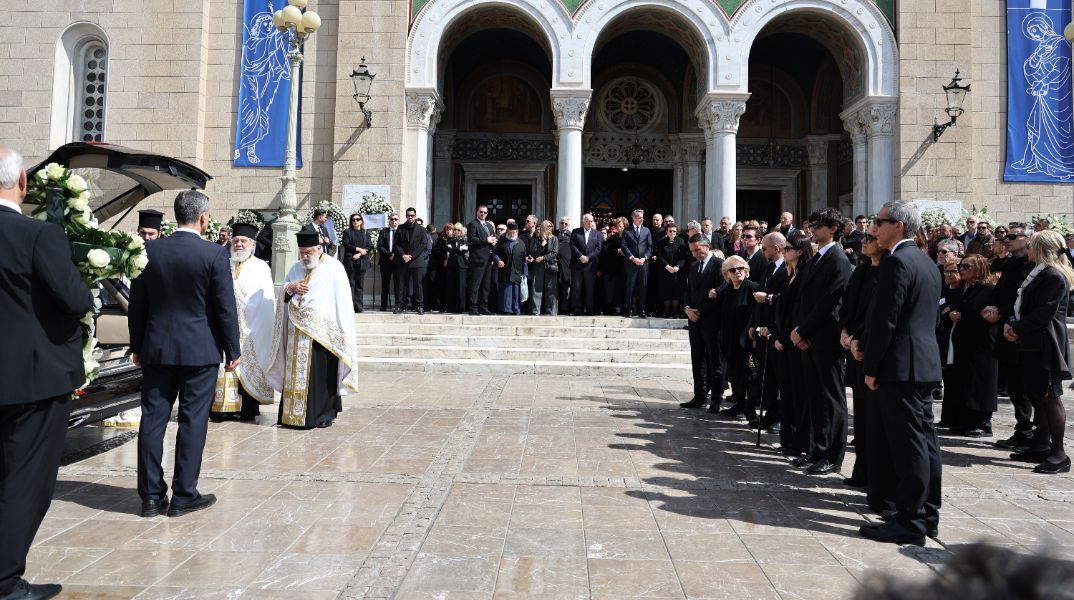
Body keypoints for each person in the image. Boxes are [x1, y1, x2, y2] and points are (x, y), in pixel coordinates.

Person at [0, 147, 94, 600]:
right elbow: (75, 300)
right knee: (24, 480)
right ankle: (3, 582)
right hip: (30, 381)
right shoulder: (37, 236)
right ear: (22, 182)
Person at [129, 190, 241, 518]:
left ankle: (150, 496)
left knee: (152, 420)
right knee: (193, 421)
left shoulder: (149, 250)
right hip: (199, 350)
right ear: (204, 217)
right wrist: (232, 348)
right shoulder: (213, 254)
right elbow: (224, 307)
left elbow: (138, 305)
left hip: (157, 348)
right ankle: (183, 495)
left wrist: (137, 345)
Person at [859, 200, 943, 546]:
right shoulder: (926, 262)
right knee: (925, 442)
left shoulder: (897, 262)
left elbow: (885, 321)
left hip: (900, 366)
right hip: (922, 363)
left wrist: (871, 366)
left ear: (899, 227)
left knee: (910, 445)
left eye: (880, 222)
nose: (873, 229)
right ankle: (927, 514)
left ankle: (910, 520)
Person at [269, 226, 358, 429]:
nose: (305, 256)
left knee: (321, 377)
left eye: (308, 252)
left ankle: (322, 415)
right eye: (302, 253)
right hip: (295, 334)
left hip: (322, 336)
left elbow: (340, 304)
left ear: (319, 249)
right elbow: (284, 293)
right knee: (295, 377)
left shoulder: (334, 268)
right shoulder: (295, 268)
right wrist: (289, 288)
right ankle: (291, 415)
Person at [790, 208, 853, 475]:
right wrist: (798, 329)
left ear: (834, 229)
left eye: (819, 225)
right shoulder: (817, 257)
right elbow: (804, 298)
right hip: (809, 338)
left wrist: (803, 330)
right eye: (812, 224)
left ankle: (833, 455)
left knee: (831, 399)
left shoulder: (838, 259)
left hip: (825, 339)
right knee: (814, 397)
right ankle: (817, 449)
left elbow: (830, 302)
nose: (812, 229)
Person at [1003, 230, 1072, 474]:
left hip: (1047, 343)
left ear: (1041, 249)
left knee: (1049, 396)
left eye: (1031, 245)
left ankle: (1059, 453)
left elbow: (1044, 313)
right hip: (1033, 341)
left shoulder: (1054, 276)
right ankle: (1041, 444)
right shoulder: (1040, 272)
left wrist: (1017, 329)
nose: (1028, 248)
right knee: (1037, 395)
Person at [210, 223, 276, 423]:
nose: (239, 244)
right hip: (225, 326)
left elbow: (263, 301)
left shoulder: (261, 267)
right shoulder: (223, 263)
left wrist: (236, 302)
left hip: (251, 326)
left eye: (243, 241)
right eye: (236, 240)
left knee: (246, 363)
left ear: (252, 244)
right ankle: (222, 409)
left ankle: (246, 407)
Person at [983, 224, 1037, 450]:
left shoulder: (1033, 267)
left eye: (1013, 236)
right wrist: (992, 307)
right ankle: (1022, 428)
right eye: (1008, 236)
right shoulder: (1011, 264)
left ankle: (1036, 433)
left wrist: (1003, 312)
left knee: (1027, 387)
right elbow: (1000, 291)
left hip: (1021, 332)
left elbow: (1023, 300)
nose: (1007, 240)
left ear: (1028, 240)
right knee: (1014, 384)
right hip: (1006, 328)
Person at [840, 229, 884, 489]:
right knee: (862, 417)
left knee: (875, 417)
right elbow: (848, 304)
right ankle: (862, 470)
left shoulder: (888, 271)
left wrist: (860, 340)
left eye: (869, 239)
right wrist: (845, 331)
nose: (864, 243)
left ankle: (876, 475)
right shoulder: (861, 270)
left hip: (868, 348)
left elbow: (879, 315)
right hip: (854, 345)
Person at [944, 255, 998, 437]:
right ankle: (966, 420)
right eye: (961, 266)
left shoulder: (989, 289)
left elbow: (983, 314)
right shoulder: (968, 289)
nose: (962, 269)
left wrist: (963, 316)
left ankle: (983, 422)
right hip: (965, 343)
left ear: (979, 268)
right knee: (967, 382)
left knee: (980, 382)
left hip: (981, 344)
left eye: (966, 266)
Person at [772, 235, 814, 457]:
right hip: (783, 341)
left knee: (799, 395)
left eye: (788, 248)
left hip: (794, 343)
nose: (784, 251)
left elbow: (797, 313)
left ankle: (800, 443)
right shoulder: (790, 275)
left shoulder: (804, 276)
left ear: (799, 251)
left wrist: (785, 338)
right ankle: (788, 440)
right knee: (787, 392)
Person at [749, 232, 788, 434]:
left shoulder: (788, 269)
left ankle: (781, 418)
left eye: (765, 248)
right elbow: (759, 300)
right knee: (767, 377)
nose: (763, 252)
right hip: (762, 329)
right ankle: (769, 414)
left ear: (776, 247)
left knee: (780, 377)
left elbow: (788, 300)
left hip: (778, 330)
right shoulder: (768, 267)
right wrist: (754, 324)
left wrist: (769, 298)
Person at [680, 234, 724, 410]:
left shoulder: (720, 265)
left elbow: (719, 292)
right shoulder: (693, 266)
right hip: (694, 320)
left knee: (714, 359)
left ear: (708, 246)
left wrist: (701, 311)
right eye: (692, 251)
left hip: (711, 320)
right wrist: (687, 308)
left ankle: (716, 398)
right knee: (697, 358)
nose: (695, 254)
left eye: (698, 250)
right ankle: (699, 395)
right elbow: (688, 290)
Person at [714, 255, 760, 418]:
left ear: (746, 270)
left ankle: (751, 408)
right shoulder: (727, 291)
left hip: (747, 341)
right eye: (733, 270)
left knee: (751, 375)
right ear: (727, 274)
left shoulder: (753, 287)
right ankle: (739, 404)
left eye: (741, 268)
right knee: (736, 375)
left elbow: (758, 314)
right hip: (731, 341)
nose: (737, 272)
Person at [935, 256, 964, 426]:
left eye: (954, 271)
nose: (950, 274)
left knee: (955, 380)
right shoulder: (944, 291)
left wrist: (947, 314)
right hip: (942, 338)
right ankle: (947, 417)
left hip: (956, 341)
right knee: (946, 378)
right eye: (947, 271)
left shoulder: (963, 292)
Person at [394, 207, 429, 314]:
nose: (410, 217)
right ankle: (399, 306)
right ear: (406, 216)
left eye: (412, 215)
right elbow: (396, 244)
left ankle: (420, 306)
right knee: (400, 284)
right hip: (402, 260)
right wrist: (403, 255)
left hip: (416, 260)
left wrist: (411, 256)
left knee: (418, 285)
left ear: (415, 216)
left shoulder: (422, 229)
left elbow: (423, 245)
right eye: (408, 215)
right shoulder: (400, 228)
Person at [466, 205, 497, 315]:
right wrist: (486, 240)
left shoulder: (489, 225)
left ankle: (483, 307)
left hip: (488, 258)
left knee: (486, 285)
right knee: (475, 284)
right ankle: (473, 308)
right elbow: (471, 239)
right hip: (478, 259)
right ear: (477, 212)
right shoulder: (473, 224)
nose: (483, 214)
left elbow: (492, 237)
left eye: (485, 212)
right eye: (481, 212)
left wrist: (493, 240)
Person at [621, 209, 653, 318]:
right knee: (630, 286)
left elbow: (650, 247)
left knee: (643, 287)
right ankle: (629, 309)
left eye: (643, 217)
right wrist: (632, 258)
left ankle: (642, 309)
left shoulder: (647, 231)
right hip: (631, 263)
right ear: (634, 218)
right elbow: (624, 246)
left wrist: (644, 258)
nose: (642, 219)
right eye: (639, 217)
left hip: (644, 264)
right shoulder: (627, 231)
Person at [570, 213, 602, 315]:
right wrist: (580, 256)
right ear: (583, 222)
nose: (589, 223)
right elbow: (572, 245)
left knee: (590, 289)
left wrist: (588, 257)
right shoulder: (576, 232)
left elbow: (598, 248)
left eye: (591, 221)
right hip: (577, 265)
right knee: (577, 288)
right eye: (587, 221)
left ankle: (589, 310)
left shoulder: (597, 234)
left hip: (590, 265)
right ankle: (577, 309)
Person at [652, 222, 686, 318]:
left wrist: (677, 266)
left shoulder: (681, 241)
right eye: (670, 231)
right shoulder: (661, 242)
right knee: (666, 292)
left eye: (674, 231)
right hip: (664, 271)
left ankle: (674, 313)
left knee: (676, 292)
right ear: (666, 232)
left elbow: (682, 256)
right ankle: (667, 312)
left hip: (677, 271)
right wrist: (666, 266)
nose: (672, 233)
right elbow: (659, 256)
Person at [492, 222, 527, 315]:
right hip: (504, 271)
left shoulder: (521, 243)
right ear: (507, 231)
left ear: (517, 232)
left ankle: (516, 309)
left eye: (514, 232)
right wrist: (498, 260)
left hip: (517, 271)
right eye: (510, 232)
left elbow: (524, 260)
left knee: (516, 292)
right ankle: (506, 310)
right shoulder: (501, 241)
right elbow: (495, 253)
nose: (512, 234)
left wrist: (524, 273)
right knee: (505, 292)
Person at [341, 213, 371, 313]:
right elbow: (346, 244)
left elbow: (369, 246)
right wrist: (358, 249)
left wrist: (359, 254)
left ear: (361, 221)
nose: (355, 221)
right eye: (353, 220)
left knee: (360, 286)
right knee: (350, 285)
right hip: (350, 262)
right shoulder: (347, 232)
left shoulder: (365, 233)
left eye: (358, 219)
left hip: (361, 262)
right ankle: (350, 307)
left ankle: (358, 307)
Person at [528, 220, 559, 315]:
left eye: (551, 226)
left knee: (551, 289)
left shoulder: (554, 239)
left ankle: (551, 312)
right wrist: (542, 246)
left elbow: (554, 253)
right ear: (543, 227)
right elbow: (533, 252)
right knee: (537, 287)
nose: (550, 228)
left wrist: (543, 257)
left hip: (550, 265)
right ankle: (535, 311)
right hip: (538, 266)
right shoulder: (536, 238)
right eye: (548, 226)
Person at [598, 217, 625, 315]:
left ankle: (624, 308)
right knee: (613, 289)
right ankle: (614, 308)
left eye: (621, 226)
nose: (620, 228)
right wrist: (618, 251)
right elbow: (608, 250)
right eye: (618, 226)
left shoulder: (629, 236)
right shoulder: (613, 238)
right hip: (614, 268)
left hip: (627, 267)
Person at [444, 222, 469, 313]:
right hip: (451, 265)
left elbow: (464, 251)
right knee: (451, 286)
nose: (456, 231)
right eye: (455, 229)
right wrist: (458, 248)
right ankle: (450, 307)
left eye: (458, 230)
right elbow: (448, 249)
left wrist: (455, 249)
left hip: (461, 265)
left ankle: (460, 307)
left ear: (461, 230)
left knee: (460, 287)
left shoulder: (464, 239)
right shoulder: (449, 239)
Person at [377, 213, 400, 311]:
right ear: (389, 221)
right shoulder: (384, 232)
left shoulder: (401, 231)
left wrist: (395, 254)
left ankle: (398, 305)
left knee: (397, 284)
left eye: (396, 219)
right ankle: (383, 305)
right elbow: (379, 246)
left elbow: (403, 246)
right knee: (385, 284)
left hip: (398, 262)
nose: (394, 221)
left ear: (398, 221)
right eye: (392, 219)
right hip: (385, 261)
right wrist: (389, 254)